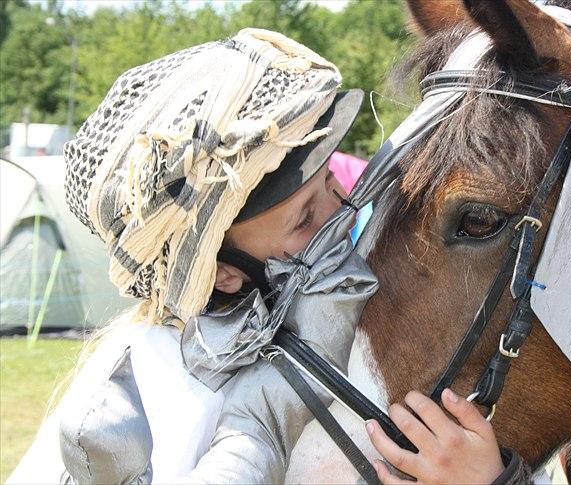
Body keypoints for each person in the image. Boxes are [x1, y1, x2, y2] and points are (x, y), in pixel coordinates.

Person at [9, 28, 527, 485]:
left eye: (330, 183)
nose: (341, 215)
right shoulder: (164, 390)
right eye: (303, 218)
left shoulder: (354, 310)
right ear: (227, 274)